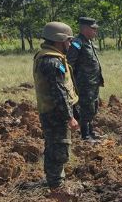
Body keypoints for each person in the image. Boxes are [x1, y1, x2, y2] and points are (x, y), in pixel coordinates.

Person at [33, 21, 80, 191]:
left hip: (53, 112)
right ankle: (56, 187)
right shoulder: (51, 62)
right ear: (59, 40)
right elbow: (58, 93)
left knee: (55, 146)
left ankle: (55, 181)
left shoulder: (51, 57)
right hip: (55, 114)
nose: (70, 44)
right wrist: (69, 117)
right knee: (59, 149)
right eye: (68, 40)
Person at [67, 17, 104, 142]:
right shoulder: (78, 42)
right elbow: (70, 63)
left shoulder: (88, 42)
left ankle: (91, 132)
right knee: (85, 109)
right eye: (93, 29)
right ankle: (85, 136)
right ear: (85, 29)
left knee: (93, 108)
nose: (95, 32)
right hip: (84, 84)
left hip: (93, 83)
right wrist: (72, 82)